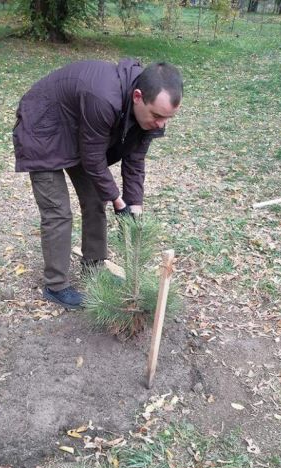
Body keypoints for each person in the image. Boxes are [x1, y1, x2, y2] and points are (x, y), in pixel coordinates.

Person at [13, 59, 183, 309]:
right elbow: (93, 159)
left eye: (168, 119)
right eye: (157, 116)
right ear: (137, 96)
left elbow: (135, 161)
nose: (161, 124)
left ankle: (93, 267)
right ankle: (56, 286)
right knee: (58, 211)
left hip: (77, 129)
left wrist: (134, 208)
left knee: (95, 198)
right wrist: (118, 201)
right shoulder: (103, 97)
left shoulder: (150, 116)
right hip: (43, 127)